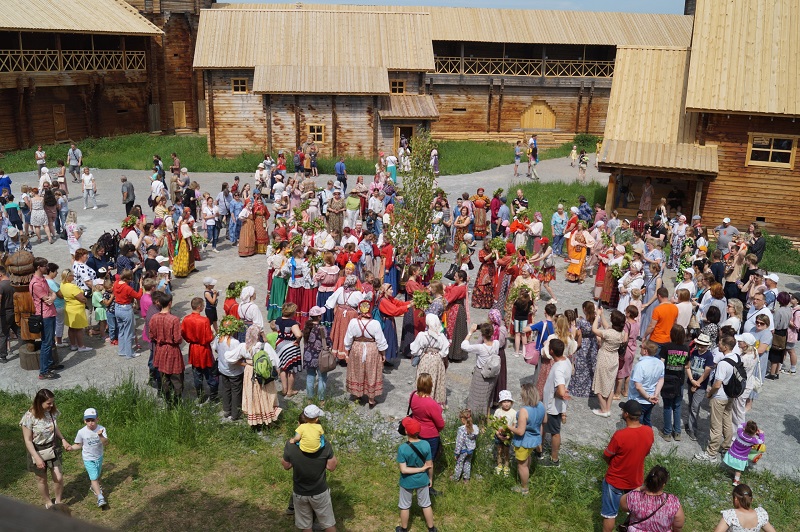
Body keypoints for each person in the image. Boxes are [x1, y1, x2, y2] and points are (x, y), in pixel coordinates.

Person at [600, 400, 655, 532]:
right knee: (634, 512)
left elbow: (606, 455)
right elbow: (645, 453)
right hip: (635, 481)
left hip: (615, 480)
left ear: (625, 414)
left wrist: (613, 464)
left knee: (610, 514)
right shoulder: (648, 431)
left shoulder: (620, 435)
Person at [20, 389, 74, 509]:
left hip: (52, 447)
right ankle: (48, 502)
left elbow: (54, 427)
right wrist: (37, 458)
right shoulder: (29, 417)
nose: (52, 405)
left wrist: (63, 439)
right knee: (41, 479)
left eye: (53, 402)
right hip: (37, 450)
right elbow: (28, 441)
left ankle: (58, 501)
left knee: (58, 477)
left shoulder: (52, 412)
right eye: (49, 403)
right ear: (39, 403)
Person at [281, 421, 338, 532]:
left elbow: (286, 465)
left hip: (300, 493)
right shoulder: (325, 445)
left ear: (299, 426)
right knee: (328, 525)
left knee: (306, 527)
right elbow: (332, 467)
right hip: (319, 492)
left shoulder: (291, 445)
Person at [695, 336, 739, 463]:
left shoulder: (723, 363)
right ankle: (725, 446)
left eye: (720, 343)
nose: (718, 345)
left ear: (725, 347)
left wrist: (710, 394)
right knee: (727, 421)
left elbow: (717, 384)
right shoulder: (736, 358)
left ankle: (711, 453)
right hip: (730, 396)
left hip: (719, 397)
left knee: (715, 425)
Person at [344, 300, 389, 407]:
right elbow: (380, 341)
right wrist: (383, 354)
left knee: (357, 370)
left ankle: (357, 395)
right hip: (372, 349)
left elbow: (348, 339)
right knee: (371, 372)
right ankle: (371, 399)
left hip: (357, 348)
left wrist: (347, 351)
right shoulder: (375, 323)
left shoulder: (353, 322)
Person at [395, 416, 436, 532]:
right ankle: (431, 528)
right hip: (422, 479)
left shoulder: (402, 448)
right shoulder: (426, 444)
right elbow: (430, 465)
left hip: (407, 481)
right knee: (426, 504)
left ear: (406, 431)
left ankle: (403, 529)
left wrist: (420, 469)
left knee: (404, 505)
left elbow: (404, 470)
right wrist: (430, 478)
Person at [619, 466, 685, 532]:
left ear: (647, 481)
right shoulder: (672, 501)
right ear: (663, 485)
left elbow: (622, 504)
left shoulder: (634, 497)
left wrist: (640, 488)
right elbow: (678, 525)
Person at [409, 373, 445, 495]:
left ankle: (414, 478)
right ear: (430, 386)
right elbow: (440, 424)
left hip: (416, 432)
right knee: (429, 461)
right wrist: (439, 409)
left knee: (417, 458)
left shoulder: (413, 395)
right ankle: (427, 486)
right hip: (430, 436)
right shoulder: (431, 403)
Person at [509, 383, 545, 495]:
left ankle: (524, 488)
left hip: (524, 441)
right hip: (534, 439)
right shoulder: (541, 405)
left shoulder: (524, 411)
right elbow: (544, 421)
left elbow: (520, 431)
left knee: (521, 464)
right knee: (528, 457)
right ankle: (527, 476)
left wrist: (509, 427)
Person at [181, 297, 218, 403]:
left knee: (197, 374)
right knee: (210, 374)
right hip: (204, 350)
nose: (203, 307)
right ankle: (214, 396)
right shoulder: (204, 320)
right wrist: (213, 335)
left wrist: (190, 339)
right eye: (202, 305)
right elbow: (208, 338)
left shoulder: (186, 319)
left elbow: (183, 333)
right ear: (199, 307)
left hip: (193, 349)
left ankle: (200, 396)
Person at [592, 309, 628, 417]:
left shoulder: (608, 333)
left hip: (604, 358)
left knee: (599, 383)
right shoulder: (622, 333)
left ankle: (604, 409)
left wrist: (597, 316)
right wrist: (602, 314)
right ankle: (608, 408)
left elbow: (594, 329)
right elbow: (607, 325)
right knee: (610, 385)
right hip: (614, 359)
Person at [30, 257, 62, 379]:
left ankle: (49, 364)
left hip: (51, 313)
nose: (47, 268)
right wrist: (52, 297)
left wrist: (52, 297)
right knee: (46, 343)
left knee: (50, 341)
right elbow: (47, 299)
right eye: (45, 266)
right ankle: (43, 371)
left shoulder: (42, 279)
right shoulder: (35, 283)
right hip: (45, 316)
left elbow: (51, 293)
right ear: (39, 267)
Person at [542, 338, 572, 467]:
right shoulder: (566, 360)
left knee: (555, 432)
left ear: (552, 351)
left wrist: (556, 393)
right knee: (543, 427)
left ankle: (554, 460)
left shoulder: (559, 369)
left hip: (553, 407)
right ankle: (539, 450)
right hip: (553, 406)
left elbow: (560, 391)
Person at [658, 325, 691, 441]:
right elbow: (687, 365)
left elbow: (661, 363)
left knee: (667, 406)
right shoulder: (686, 348)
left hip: (667, 379)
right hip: (680, 380)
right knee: (677, 406)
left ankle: (667, 433)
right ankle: (677, 432)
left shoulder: (666, 347)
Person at [72, 407, 109, 508]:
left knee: (97, 475)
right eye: (88, 420)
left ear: (97, 419)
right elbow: (79, 445)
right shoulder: (81, 432)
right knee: (93, 477)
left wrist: (101, 436)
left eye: (93, 420)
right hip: (88, 458)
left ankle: (94, 487)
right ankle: (100, 497)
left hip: (99, 456)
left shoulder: (101, 429)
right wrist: (71, 448)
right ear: (84, 421)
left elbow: (106, 443)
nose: (90, 423)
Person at [462, 322, 500, 419]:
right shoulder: (496, 343)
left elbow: (464, 346)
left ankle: (476, 418)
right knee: (488, 396)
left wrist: (470, 332)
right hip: (492, 374)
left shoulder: (480, 347)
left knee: (477, 396)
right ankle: (486, 417)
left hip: (481, 374)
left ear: (482, 334)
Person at [411, 315, 450, 406]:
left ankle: (421, 400)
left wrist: (421, 353)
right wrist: (438, 355)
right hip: (437, 360)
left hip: (425, 359)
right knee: (435, 380)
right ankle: (433, 401)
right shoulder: (441, 336)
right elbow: (445, 351)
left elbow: (414, 350)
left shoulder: (422, 335)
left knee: (422, 379)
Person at [628, 340, 665, 427]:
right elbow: (661, 379)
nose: (640, 348)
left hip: (639, 399)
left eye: (641, 347)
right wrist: (655, 394)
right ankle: (648, 436)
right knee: (647, 419)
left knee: (637, 423)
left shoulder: (640, 365)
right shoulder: (660, 363)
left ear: (645, 351)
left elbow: (638, 386)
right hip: (652, 398)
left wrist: (648, 398)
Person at [686, 333, 715, 441]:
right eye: (699, 345)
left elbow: (707, 371)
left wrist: (697, 383)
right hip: (691, 381)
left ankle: (692, 429)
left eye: (703, 345)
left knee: (695, 406)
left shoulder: (709, 355)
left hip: (701, 385)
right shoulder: (693, 352)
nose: (701, 347)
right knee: (691, 405)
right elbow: (688, 366)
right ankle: (690, 424)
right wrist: (692, 380)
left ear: (707, 346)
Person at [723, 420, 765, 487]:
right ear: (754, 433)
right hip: (741, 458)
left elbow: (740, 425)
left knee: (734, 465)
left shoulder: (740, 433)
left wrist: (747, 425)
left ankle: (731, 470)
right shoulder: (753, 440)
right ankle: (736, 481)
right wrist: (761, 434)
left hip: (733, 453)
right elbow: (761, 441)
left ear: (745, 428)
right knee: (738, 470)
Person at [113, 269, 142, 359]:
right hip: (126, 309)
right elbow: (138, 296)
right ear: (129, 278)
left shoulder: (116, 283)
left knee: (121, 330)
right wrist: (141, 286)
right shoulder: (127, 288)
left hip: (117, 308)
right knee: (129, 332)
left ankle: (122, 351)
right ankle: (129, 353)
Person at [451, 409, 479, 483]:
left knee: (459, 464)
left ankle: (456, 478)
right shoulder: (475, 428)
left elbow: (459, 442)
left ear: (463, 419)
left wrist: (456, 453)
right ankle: (466, 478)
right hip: (471, 450)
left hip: (463, 451)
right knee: (467, 463)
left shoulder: (461, 429)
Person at [492, 390, 516, 476]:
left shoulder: (513, 412)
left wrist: (509, 436)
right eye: (504, 402)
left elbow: (514, 425)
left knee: (506, 451)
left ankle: (506, 466)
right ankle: (499, 465)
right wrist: (497, 434)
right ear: (501, 403)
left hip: (508, 435)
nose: (506, 404)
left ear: (511, 402)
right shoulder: (498, 411)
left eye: (508, 401)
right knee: (499, 451)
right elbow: (494, 424)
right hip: (498, 434)